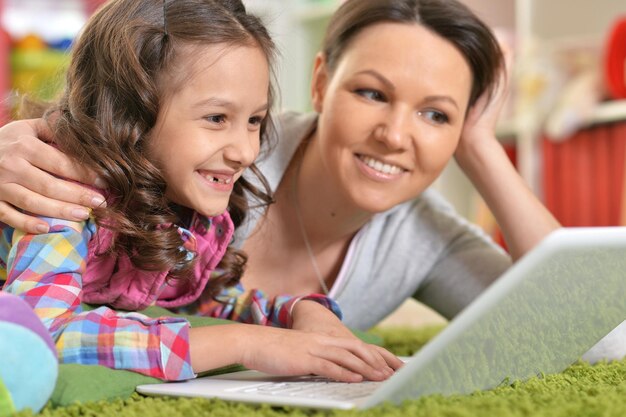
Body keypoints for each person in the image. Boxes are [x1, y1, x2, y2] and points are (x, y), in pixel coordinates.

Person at [0, 0, 558, 330]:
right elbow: (108, 132)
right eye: (371, 93)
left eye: (437, 115)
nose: (393, 135)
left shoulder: (426, 240)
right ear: (320, 81)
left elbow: (600, 337)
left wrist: (482, 146)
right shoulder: (214, 152)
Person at [0, 0, 401, 383]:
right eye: (216, 118)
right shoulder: (58, 193)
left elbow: (201, 301)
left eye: (254, 120)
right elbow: (38, 332)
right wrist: (244, 343)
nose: (245, 151)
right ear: (131, 114)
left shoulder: (179, 204)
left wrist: (299, 311)